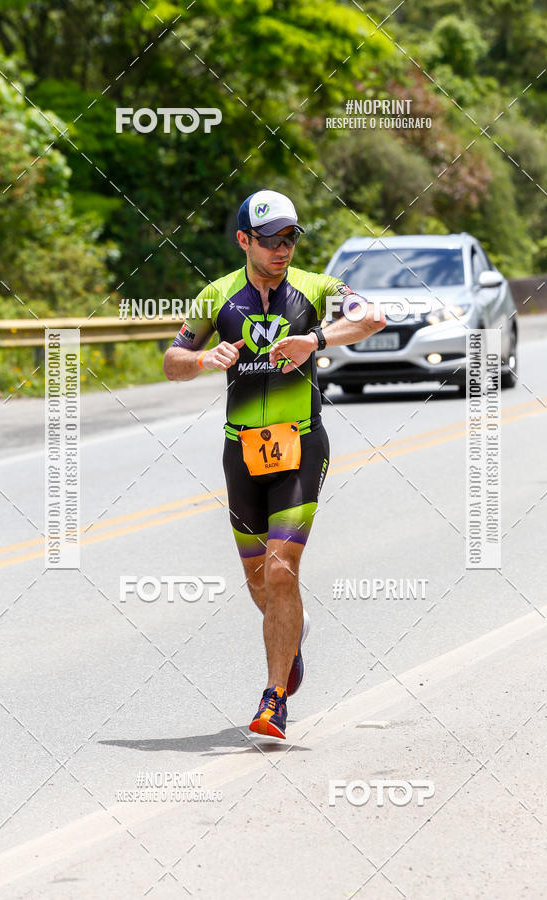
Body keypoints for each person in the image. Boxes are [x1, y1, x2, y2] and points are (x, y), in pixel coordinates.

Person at [163, 189, 386, 738]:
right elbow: (171, 362)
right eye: (270, 241)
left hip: (302, 445)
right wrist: (202, 358)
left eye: (289, 238)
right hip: (241, 451)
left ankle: (273, 699)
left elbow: (373, 316)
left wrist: (315, 339)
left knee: (283, 567)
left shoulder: (316, 288)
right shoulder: (216, 297)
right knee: (260, 582)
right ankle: (294, 636)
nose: (282, 249)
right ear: (245, 241)